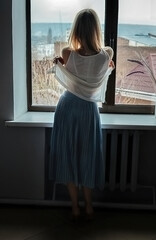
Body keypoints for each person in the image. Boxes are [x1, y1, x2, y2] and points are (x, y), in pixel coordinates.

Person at [49, 8, 114, 221]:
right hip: (88, 110)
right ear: (96, 30)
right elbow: (105, 64)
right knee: (87, 156)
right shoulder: (107, 54)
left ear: (76, 29)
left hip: (67, 107)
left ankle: (75, 207)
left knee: (68, 154)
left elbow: (68, 67)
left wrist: (61, 63)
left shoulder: (68, 53)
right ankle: (89, 207)